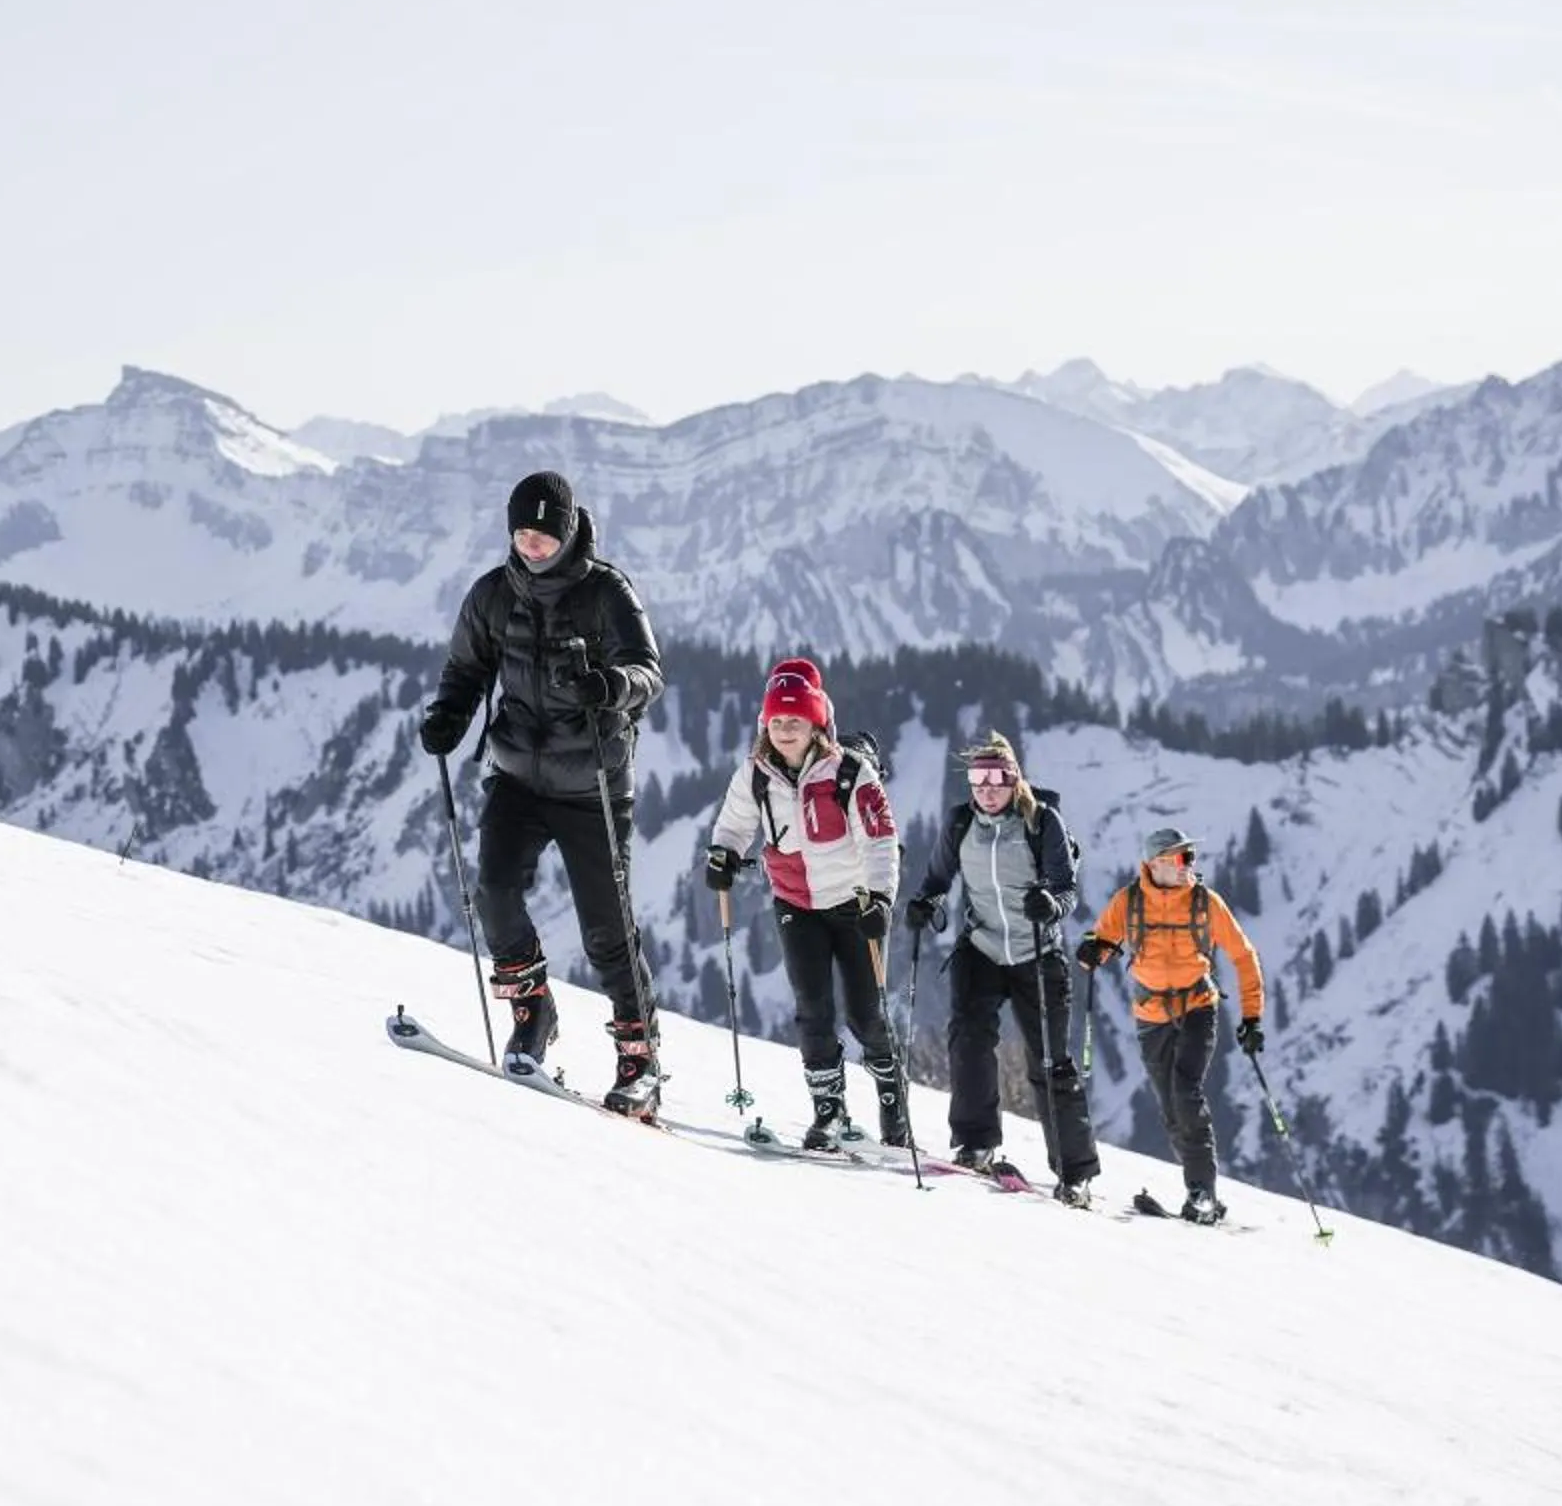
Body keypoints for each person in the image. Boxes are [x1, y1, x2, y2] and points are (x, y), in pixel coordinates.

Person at [417, 471, 669, 1117]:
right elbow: (466, 670)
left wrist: (609, 686)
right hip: (517, 776)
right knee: (495, 891)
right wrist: (450, 716)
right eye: (521, 536)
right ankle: (534, 1010)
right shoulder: (493, 595)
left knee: (606, 929)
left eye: (541, 537)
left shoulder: (606, 592)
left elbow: (648, 671)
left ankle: (640, 1058)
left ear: (565, 533)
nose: (530, 548)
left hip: (593, 787)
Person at [700, 658, 909, 1153]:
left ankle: (892, 1103)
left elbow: (880, 840)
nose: (785, 730)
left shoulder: (851, 773)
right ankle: (828, 1114)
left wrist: (880, 898)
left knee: (865, 1014)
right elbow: (733, 823)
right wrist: (723, 854)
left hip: (855, 905)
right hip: (796, 905)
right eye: (776, 721)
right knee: (812, 1010)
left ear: (817, 722)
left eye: (795, 720)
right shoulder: (756, 775)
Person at [901, 731, 1094, 1200]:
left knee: (1049, 1061)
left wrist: (1050, 902)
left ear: (1015, 781)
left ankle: (1075, 1172)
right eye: (977, 778)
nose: (987, 788)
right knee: (969, 1038)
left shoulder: (1041, 821)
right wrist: (924, 903)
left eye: (997, 778)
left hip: (1038, 952)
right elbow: (937, 878)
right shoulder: (960, 823)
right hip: (982, 947)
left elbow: (1067, 888)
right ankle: (974, 1143)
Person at [1077, 826, 1266, 1224]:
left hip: (1198, 1006)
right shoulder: (1129, 902)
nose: (1190, 866)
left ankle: (1203, 1194)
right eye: (1182, 858)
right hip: (1151, 1015)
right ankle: (1199, 1192)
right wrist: (1092, 949)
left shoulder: (1205, 903)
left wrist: (1251, 1017)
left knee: (1186, 1091)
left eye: (1191, 857)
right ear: (1156, 864)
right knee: (1170, 1107)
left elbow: (1244, 956)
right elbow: (1104, 938)